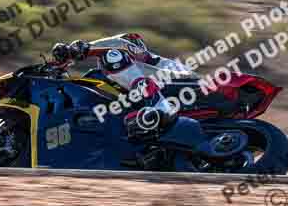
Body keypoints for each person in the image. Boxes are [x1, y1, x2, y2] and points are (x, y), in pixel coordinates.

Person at [51, 33, 193, 139]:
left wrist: (81, 49)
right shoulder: (104, 73)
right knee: (94, 76)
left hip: (178, 88)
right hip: (161, 89)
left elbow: (118, 43)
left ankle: (163, 110)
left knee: (113, 56)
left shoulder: (139, 53)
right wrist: (60, 74)